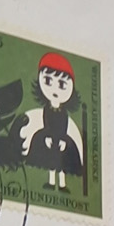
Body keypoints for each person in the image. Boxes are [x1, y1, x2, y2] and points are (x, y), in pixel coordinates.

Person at [20, 52, 85, 192]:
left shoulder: (64, 112)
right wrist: (47, 137)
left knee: (62, 164)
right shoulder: (47, 109)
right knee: (51, 162)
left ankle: (62, 184)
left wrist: (63, 140)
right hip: (48, 135)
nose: (55, 90)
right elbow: (46, 121)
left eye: (61, 84)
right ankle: (51, 182)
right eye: (48, 81)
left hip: (62, 138)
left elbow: (64, 124)